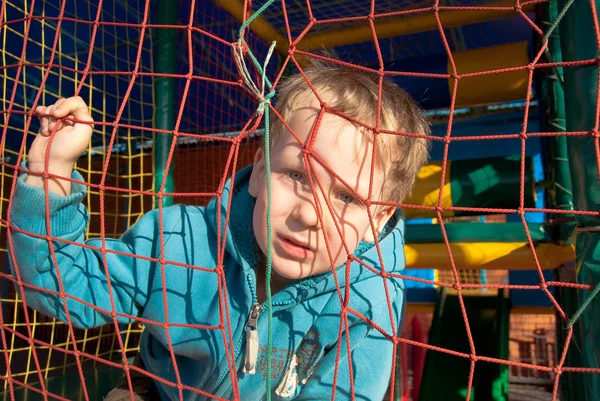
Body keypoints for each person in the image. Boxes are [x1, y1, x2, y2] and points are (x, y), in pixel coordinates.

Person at [8, 60, 430, 400]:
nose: (310, 215)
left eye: (347, 198)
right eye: (298, 176)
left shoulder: (368, 301)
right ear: (262, 171)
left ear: (378, 220)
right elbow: (58, 286)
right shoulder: (180, 242)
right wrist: (52, 170)